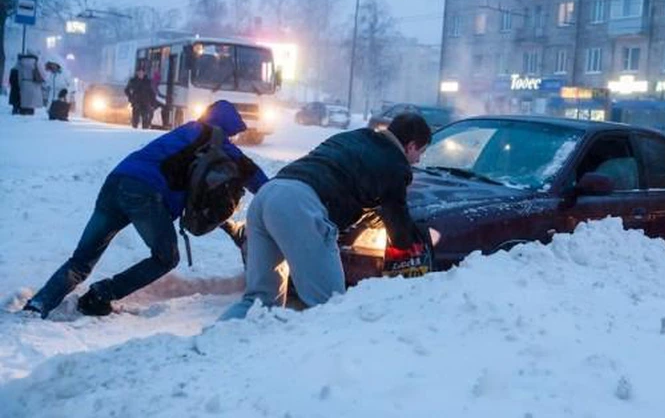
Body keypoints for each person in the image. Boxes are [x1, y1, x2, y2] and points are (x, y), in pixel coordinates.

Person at [23, 101, 268, 319]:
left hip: (115, 183)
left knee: (82, 259)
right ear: (226, 125)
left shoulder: (186, 132)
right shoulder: (214, 138)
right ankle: (101, 294)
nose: (232, 139)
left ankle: (39, 304)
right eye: (232, 134)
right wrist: (274, 194)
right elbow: (252, 174)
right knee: (166, 257)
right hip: (144, 193)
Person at [220, 112, 432, 320]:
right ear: (411, 146)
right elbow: (400, 232)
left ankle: (215, 339)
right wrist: (418, 240)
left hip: (268, 194)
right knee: (329, 307)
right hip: (300, 206)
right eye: (420, 152)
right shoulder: (396, 164)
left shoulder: (357, 136)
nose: (418, 160)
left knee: (258, 302)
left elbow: (348, 179)